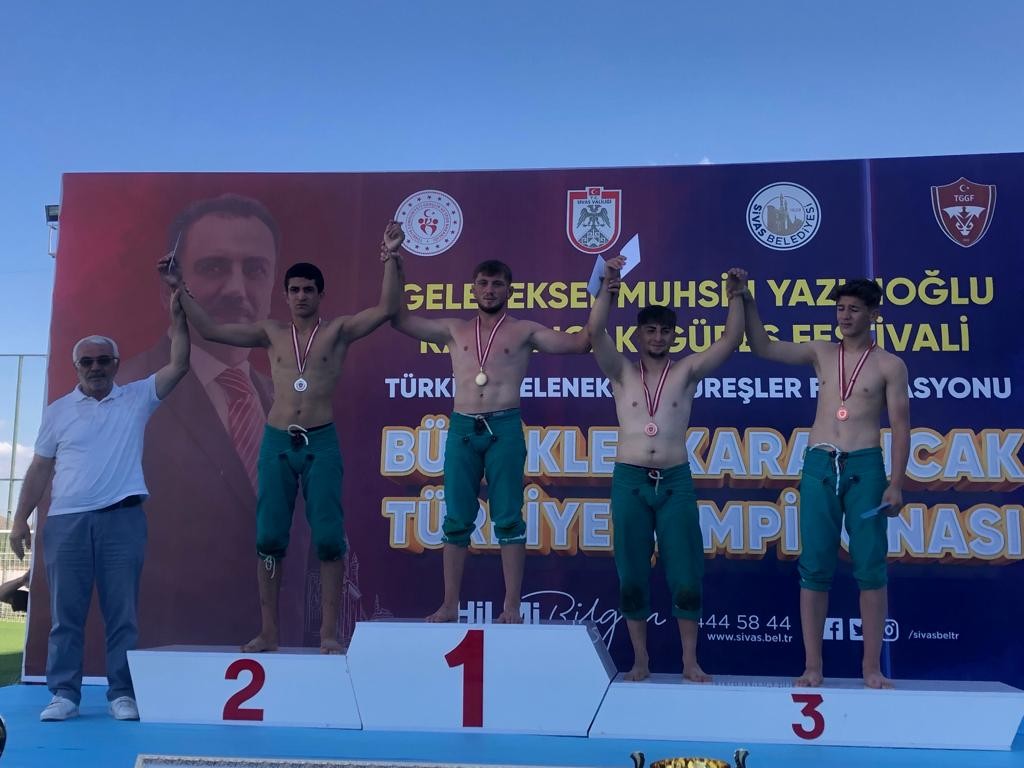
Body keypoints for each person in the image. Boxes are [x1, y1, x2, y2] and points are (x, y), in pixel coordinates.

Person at [159, 221, 405, 653]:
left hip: (320, 442)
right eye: (294, 290)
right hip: (277, 442)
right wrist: (181, 287)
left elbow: (386, 308)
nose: (301, 296)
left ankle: (329, 633)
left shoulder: (338, 331)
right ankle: (269, 631)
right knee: (270, 538)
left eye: (309, 290)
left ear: (320, 295)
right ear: (285, 295)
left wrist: (391, 256)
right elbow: (211, 330)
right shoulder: (270, 333)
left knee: (328, 538)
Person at [9, 293, 190, 722]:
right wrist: (19, 520)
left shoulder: (137, 397)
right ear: (76, 367)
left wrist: (178, 313)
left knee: (121, 615)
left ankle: (121, 693)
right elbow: (39, 469)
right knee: (65, 616)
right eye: (87, 362)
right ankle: (64, 695)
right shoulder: (58, 412)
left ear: (115, 364)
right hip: (66, 523)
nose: (95, 368)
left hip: (122, 520)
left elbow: (180, 364)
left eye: (103, 361)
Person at [117, 194, 283, 649]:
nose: (236, 290)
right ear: (169, 287)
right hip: (164, 657)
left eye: (255, 270)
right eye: (213, 267)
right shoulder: (125, 392)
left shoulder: (284, 401)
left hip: (274, 656)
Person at [391, 259, 592, 624]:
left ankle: (511, 607)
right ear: (473, 288)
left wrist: (604, 293)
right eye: (483, 283)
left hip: (504, 427)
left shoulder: (524, 331)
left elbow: (581, 343)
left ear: (509, 290)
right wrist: (394, 264)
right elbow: (400, 319)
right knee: (456, 519)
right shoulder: (454, 330)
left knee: (509, 518)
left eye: (497, 284)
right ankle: (449, 605)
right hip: (463, 428)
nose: (489, 290)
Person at [742, 278, 909, 689]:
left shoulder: (889, 365)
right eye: (840, 309)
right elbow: (763, 347)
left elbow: (901, 426)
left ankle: (871, 668)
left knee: (870, 567)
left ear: (874, 315)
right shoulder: (821, 352)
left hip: (865, 467)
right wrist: (746, 299)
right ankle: (812, 666)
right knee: (814, 566)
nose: (845, 316)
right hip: (820, 463)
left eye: (854, 309)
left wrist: (896, 483)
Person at [589, 257, 747, 682]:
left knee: (686, 573)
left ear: (675, 336)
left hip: (675, 481)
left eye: (665, 331)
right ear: (638, 335)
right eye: (650, 330)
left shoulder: (686, 372)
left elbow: (730, 340)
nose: (658, 337)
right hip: (630, 479)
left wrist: (736, 296)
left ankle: (690, 661)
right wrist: (607, 287)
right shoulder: (621, 371)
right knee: (632, 573)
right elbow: (595, 333)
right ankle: (641, 660)